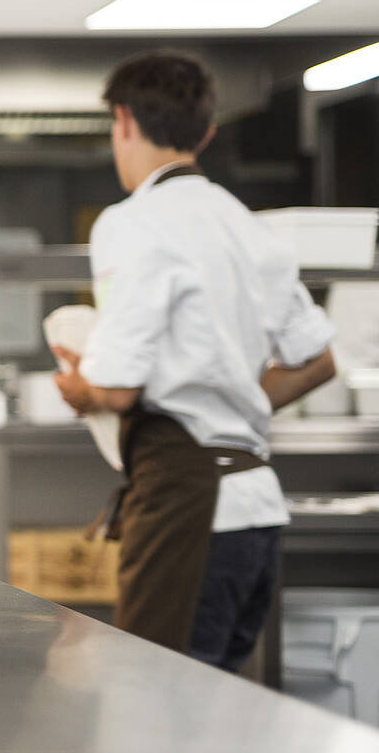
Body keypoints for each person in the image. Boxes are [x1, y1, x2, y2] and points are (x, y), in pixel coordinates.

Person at [53, 50, 336, 673]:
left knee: (157, 716)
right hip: (257, 509)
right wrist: (236, 393)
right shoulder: (253, 229)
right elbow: (316, 364)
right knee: (221, 724)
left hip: (188, 509)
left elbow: (119, 388)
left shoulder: (132, 223)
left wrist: (82, 387)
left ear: (123, 120)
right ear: (206, 132)